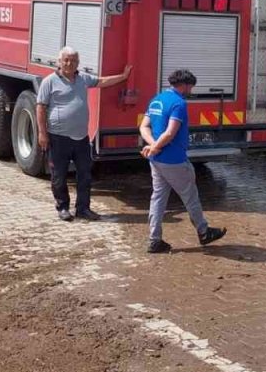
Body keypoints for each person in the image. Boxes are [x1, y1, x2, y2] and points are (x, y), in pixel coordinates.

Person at [36, 47, 132, 221]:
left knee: (85, 174)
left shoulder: (83, 79)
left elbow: (102, 81)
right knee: (59, 175)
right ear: (59, 62)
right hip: (58, 137)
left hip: (81, 137)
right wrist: (42, 133)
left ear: (78, 63)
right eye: (65, 60)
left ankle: (83, 209)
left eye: (73, 60)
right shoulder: (49, 81)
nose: (69, 63)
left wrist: (123, 77)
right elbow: (41, 107)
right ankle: (63, 207)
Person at [140, 69, 228, 254]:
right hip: (174, 160)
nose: (190, 91)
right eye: (190, 87)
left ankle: (154, 240)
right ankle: (204, 232)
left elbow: (143, 126)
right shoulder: (178, 103)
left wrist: (152, 146)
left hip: (155, 160)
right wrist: (156, 146)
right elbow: (170, 133)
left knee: (158, 198)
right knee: (190, 196)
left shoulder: (157, 99)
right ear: (185, 85)